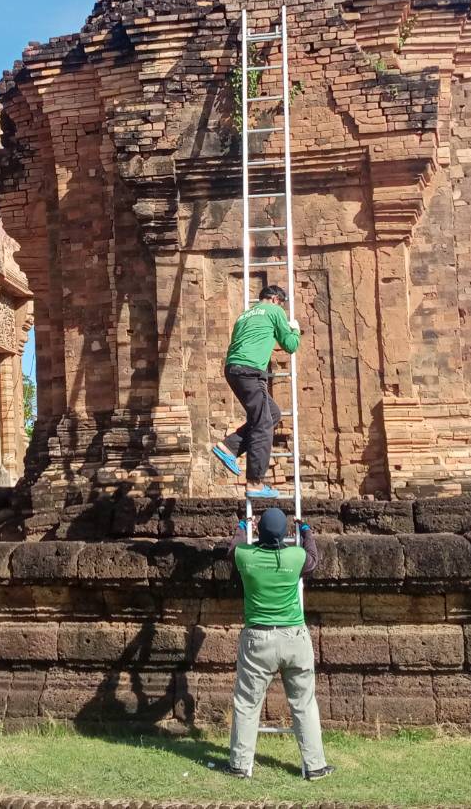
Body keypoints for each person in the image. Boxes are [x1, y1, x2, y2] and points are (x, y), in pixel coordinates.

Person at [224, 507, 331, 781]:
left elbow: (231, 549)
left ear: (259, 533)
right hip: (294, 637)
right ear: (285, 534)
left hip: (258, 639)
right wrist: (306, 531)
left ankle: (239, 764)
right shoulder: (295, 557)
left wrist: (242, 526)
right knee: (304, 702)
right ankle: (315, 765)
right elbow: (314, 559)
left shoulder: (245, 557)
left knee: (247, 702)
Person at [213, 284, 300, 500]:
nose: (282, 307)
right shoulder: (275, 311)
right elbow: (290, 345)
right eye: (281, 303)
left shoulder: (244, 315)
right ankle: (255, 482)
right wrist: (295, 329)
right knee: (263, 424)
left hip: (234, 369)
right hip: (250, 371)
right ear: (274, 299)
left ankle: (229, 447)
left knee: (272, 415)